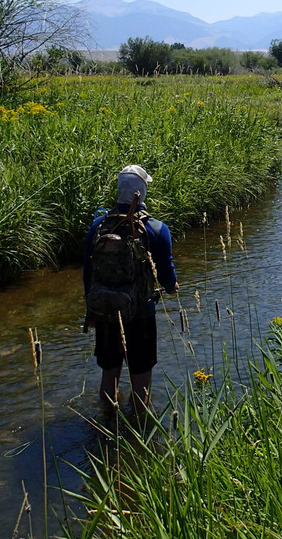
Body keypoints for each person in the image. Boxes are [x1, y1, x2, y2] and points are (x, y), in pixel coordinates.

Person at [83, 165, 178, 416]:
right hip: (141, 315)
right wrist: (171, 287)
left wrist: (90, 311)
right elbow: (168, 279)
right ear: (142, 191)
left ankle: (107, 424)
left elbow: (88, 275)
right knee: (141, 378)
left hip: (105, 312)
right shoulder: (157, 229)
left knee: (109, 372)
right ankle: (139, 431)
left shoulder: (98, 226)